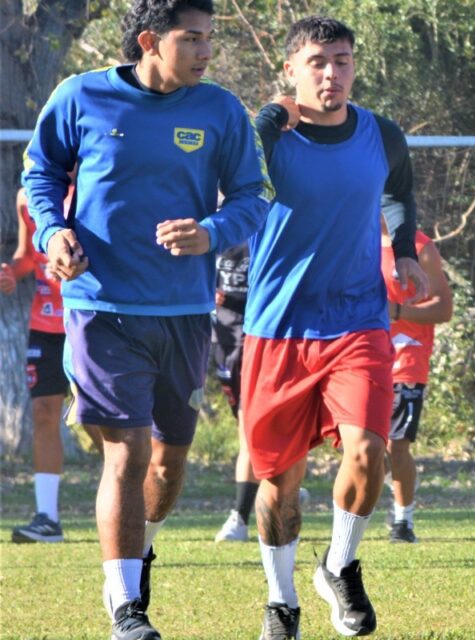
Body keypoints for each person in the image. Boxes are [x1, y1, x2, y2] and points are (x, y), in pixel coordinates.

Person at [20, 0, 269, 636]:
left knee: (167, 461)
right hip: (101, 306)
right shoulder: (81, 96)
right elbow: (41, 172)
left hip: (185, 310)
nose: (207, 51)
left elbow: (252, 198)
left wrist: (210, 233)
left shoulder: (219, 110)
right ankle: (127, 605)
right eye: (193, 39)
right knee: (126, 454)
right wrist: (53, 234)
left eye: (211, 38)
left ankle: (139, 549)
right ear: (150, 40)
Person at [241, 15, 430, 639]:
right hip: (279, 328)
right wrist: (268, 119)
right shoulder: (268, 136)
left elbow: (398, 188)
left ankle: (340, 563)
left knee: (370, 449)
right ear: (291, 71)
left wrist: (402, 246)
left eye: (343, 60)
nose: (332, 73)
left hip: (358, 320)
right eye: (318, 61)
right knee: (279, 484)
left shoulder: (382, 133)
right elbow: (229, 170)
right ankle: (282, 600)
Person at [5, 184, 103, 544]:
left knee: (96, 417)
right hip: (44, 325)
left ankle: (128, 484)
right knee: (45, 412)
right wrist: (10, 272)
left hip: (88, 319)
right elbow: (27, 256)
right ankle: (47, 519)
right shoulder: (26, 196)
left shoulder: (95, 186)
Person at [381, 221, 453, 544]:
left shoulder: (421, 248)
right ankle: (385, 484)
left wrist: (396, 311)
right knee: (363, 445)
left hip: (406, 362)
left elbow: (444, 307)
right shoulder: (353, 237)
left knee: (398, 445)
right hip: (362, 357)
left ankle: (402, 520)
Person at [211, 242, 257, 542]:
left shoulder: (263, 223)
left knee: (250, 426)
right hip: (223, 340)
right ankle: (271, 480)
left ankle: (240, 518)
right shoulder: (209, 226)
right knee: (244, 420)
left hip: (259, 333)